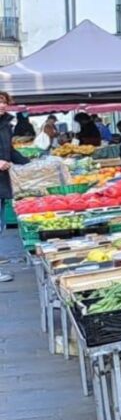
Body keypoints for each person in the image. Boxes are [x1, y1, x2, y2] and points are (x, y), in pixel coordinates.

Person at [0, 92, 30, 281]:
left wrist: (30, 163)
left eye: (3, 102)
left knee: (0, 224)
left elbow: (9, 150)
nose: (2, 106)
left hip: (2, 182)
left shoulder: (6, 126)